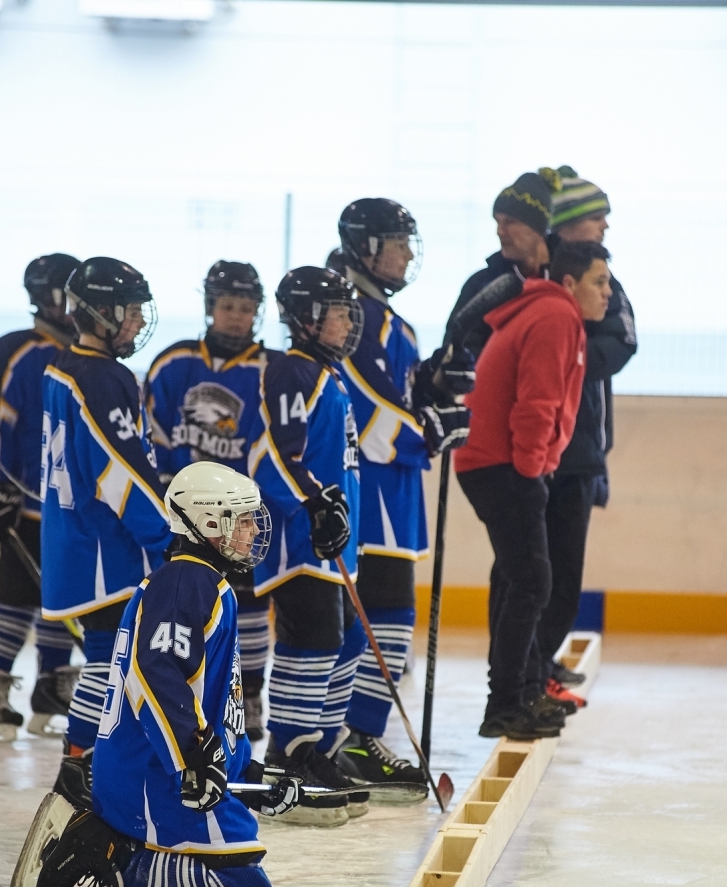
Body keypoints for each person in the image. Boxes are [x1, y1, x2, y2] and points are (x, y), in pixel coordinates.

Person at [10, 462, 299, 887]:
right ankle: (106, 849)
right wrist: (193, 758)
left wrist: (249, 777)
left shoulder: (201, 582)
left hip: (162, 767)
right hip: (151, 773)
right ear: (208, 524)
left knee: (245, 865)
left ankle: (113, 843)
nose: (250, 530)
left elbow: (214, 702)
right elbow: (155, 672)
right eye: (240, 520)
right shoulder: (186, 581)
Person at [333, 198, 471, 801]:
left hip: (392, 491)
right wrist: (429, 429)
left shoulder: (391, 320)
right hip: (360, 488)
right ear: (367, 247)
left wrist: (435, 380)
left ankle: (357, 735)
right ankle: (334, 737)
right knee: (362, 615)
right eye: (399, 242)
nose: (409, 255)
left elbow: (401, 392)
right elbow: (365, 405)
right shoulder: (347, 314)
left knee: (390, 615)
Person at [454, 241, 612, 740]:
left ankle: (519, 693)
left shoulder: (553, 312)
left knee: (520, 578)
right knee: (531, 582)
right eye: (599, 282)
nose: (608, 293)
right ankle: (505, 705)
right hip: (501, 462)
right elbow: (536, 403)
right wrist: (532, 470)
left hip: (498, 462)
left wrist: (538, 466)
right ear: (569, 283)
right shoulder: (555, 317)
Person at [41, 256, 173, 798]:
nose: (140, 322)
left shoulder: (62, 367)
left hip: (76, 542)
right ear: (100, 313)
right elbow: (116, 470)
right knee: (109, 656)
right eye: (132, 311)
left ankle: (91, 759)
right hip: (104, 550)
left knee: (110, 652)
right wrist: (171, 536)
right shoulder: (103, 376)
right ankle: (80, 765)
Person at [248, 266, 368, 827]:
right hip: (297, 538)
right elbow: (272, 453)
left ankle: (317, 744)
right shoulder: (293, 371)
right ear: (309, 318)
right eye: (339, 313)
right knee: (313, 636)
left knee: (342, 640)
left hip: (330, 539)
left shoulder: (328, 375)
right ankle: (287, 752)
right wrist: (317, 503)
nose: (348, 323)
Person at [144, 261, 275, 742]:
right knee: (185, 598)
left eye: (246, 308)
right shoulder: (173, 363)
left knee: (250, 601)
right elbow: (149, 436)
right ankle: (190, 688)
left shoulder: (269, 369)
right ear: (209, 308)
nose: (236, 317)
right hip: (186, 514)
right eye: (227, 306)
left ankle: (249, 692)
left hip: (242, 514)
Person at [0, 253, 81, 742]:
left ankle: (52, 687)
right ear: (48, 297)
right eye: (70, 295)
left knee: (61, 597)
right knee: (14, 597)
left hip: (67, 507)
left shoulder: (82, 355)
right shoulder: (17, 349)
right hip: (25, 502)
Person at [535, 168, 637, 694]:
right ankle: (522, 675)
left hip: (578, 446)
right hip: (534, 449)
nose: (604, 228)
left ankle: (538, 666)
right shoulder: (529, 270)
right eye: (598, 218)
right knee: (530, 573)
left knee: (562, 576)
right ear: (571, 223)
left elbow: (623, 342)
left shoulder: (604, 279)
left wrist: (566, 357)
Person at [443, 172, 555, 359]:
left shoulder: (576, 274)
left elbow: (613, 339)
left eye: (510, 222)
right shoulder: (481, 284)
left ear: (538, 229)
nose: (500, 231)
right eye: (497, 221)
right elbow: (456, 346)